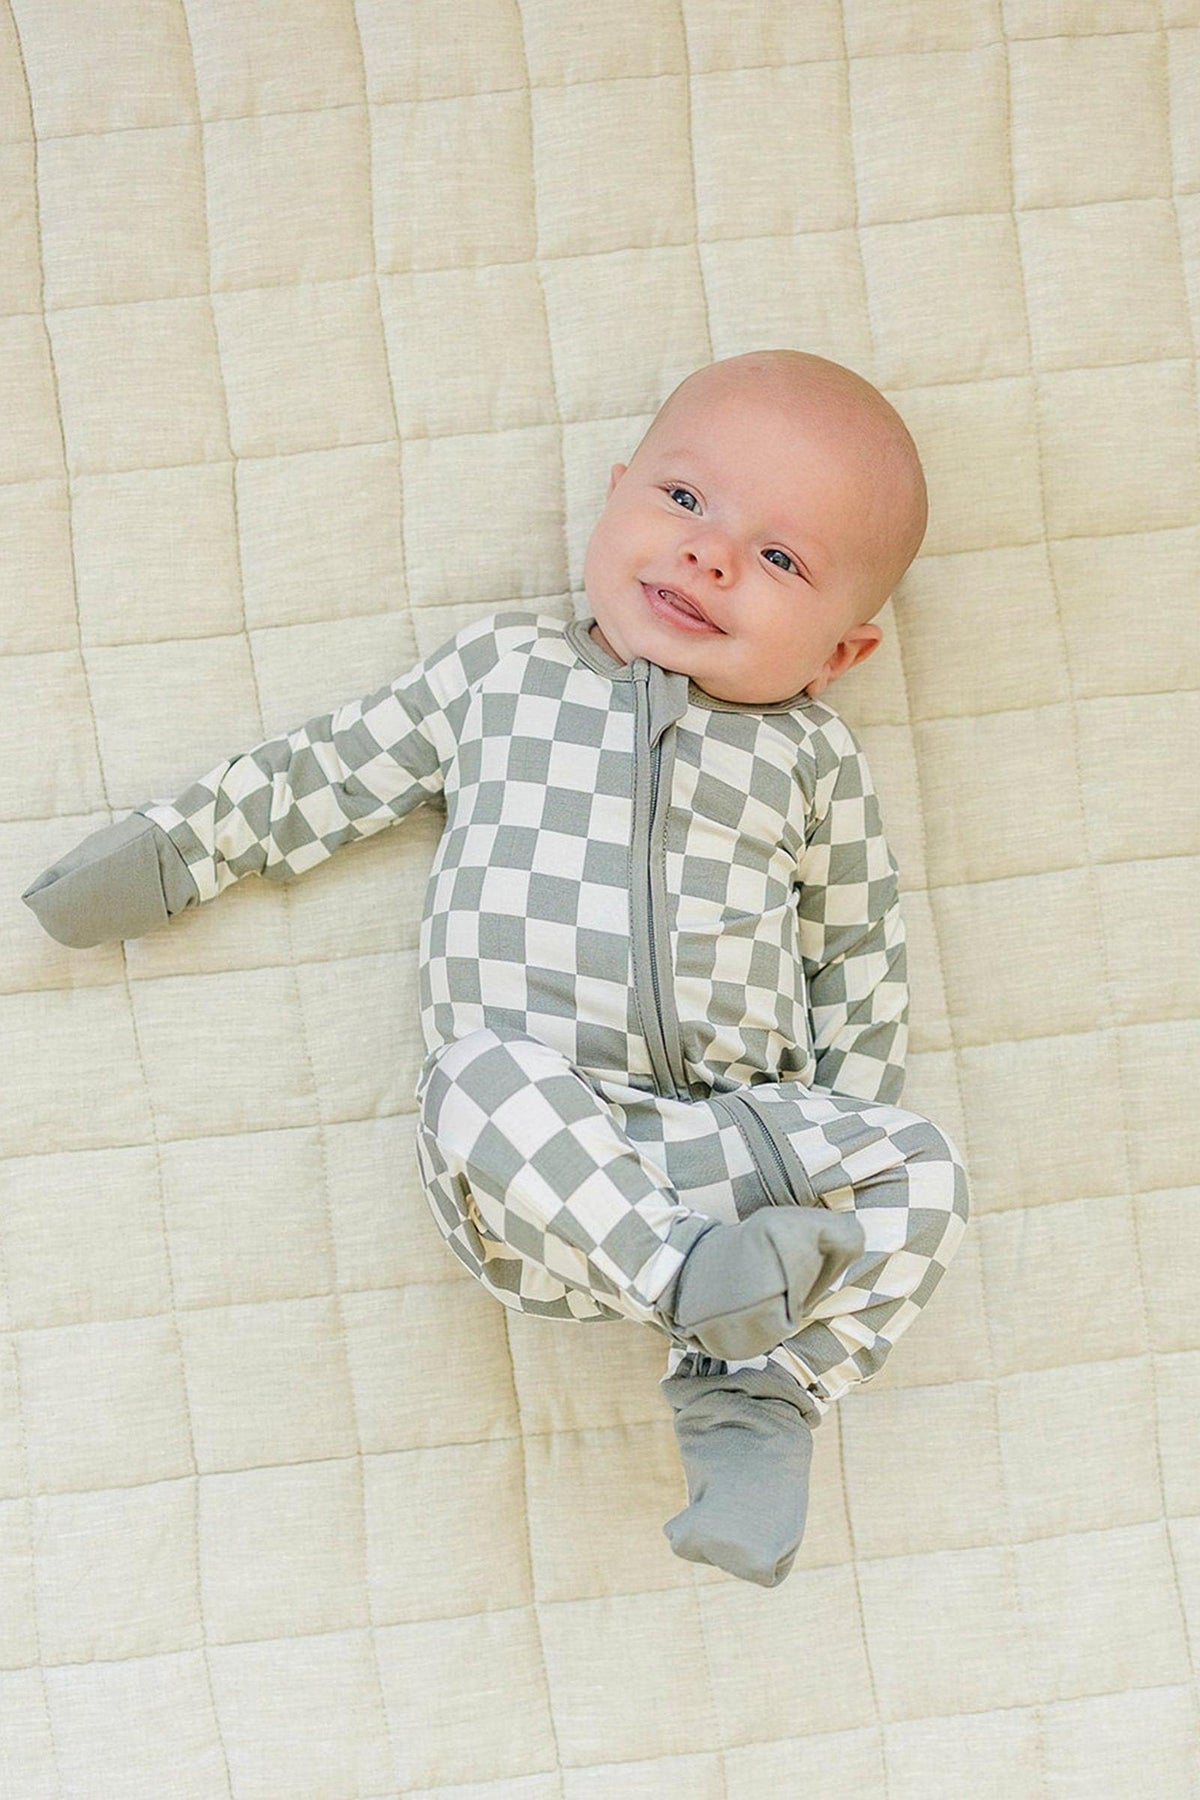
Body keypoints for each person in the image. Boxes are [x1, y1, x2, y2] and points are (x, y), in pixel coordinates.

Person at [21, 349, 970, 1589]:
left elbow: (857, 952)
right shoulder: (503, 673)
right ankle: (691, 1289)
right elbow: (331, 770)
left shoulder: (811, 758)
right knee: (473, 1072)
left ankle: (761, 1396)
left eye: (781, 558)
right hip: (539, 1169)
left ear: (841, 653)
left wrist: (829, 1157)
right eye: (686, 500)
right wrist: (176, 851)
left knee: (925, 1165)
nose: (710, 556)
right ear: (617, 493)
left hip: (737, 1166)